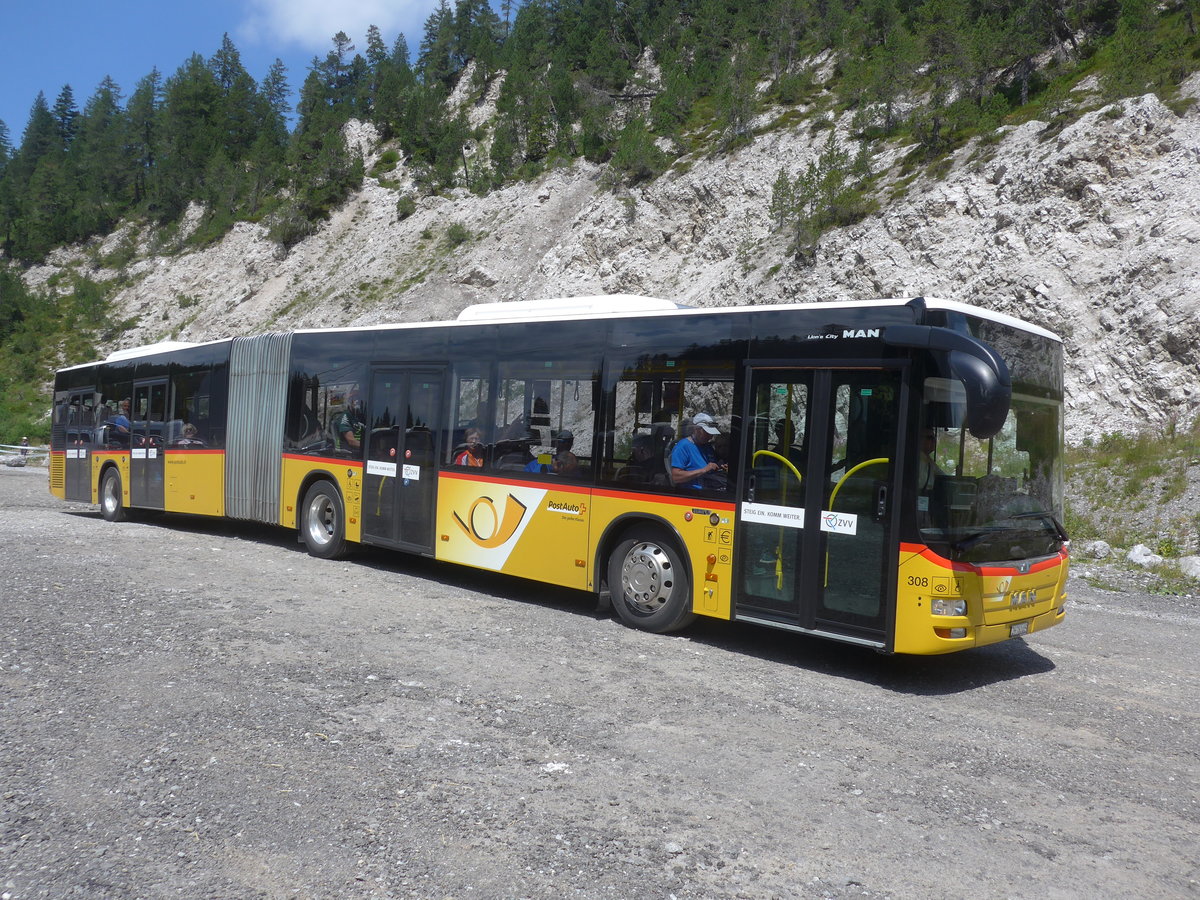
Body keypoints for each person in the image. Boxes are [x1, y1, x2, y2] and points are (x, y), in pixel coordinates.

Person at [671, 412, 727, 489]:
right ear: (696, 429)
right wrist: (703, 470)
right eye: (707, 433)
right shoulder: (683, 446)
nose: (710, 437)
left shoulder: (707, 446)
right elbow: (676, 477)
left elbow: (711, 466)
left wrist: (720, 467)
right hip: (693, 493)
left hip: (712, 488)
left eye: (711, 434)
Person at [331, 387, 365, 453]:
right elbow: (351, 441)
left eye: (359, 399)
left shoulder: (363, 416)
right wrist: (370, 447)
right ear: (350, 402)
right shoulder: (345, 416)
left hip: (362, 449)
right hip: (350, 452)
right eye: (354, 399)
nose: (357, 401)